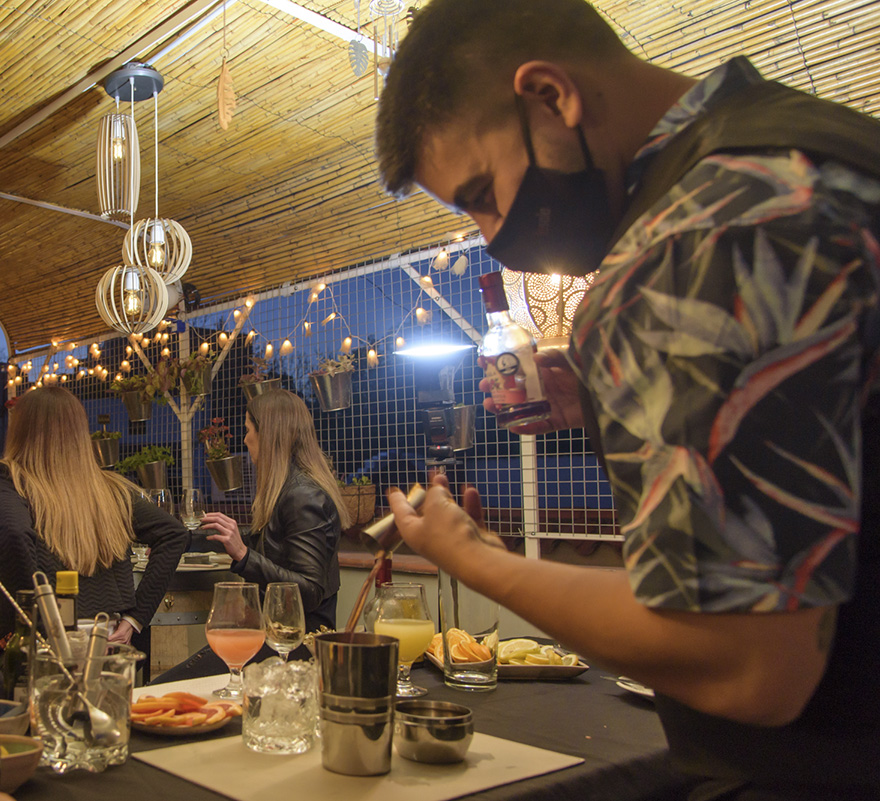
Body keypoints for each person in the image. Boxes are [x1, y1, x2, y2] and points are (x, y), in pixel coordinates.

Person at [376, 0, 879, 798]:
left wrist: (471, 557)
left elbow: (744, 660)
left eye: (482, 192)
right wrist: (617, 399)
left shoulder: (691, 240)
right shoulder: (818, 148)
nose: (492, 234)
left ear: (551, 95)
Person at [0, 386, 186, 643]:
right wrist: (136, 618)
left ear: (19, 431)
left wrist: (41, 622)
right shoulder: (111, 489)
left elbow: (12, 535)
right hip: (107, 633)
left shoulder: (7, 478)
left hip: (42, 639)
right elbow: (174, 533)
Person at [201, 389, 349, 633]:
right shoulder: (287, 489)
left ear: (268, 435)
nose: (245, 440)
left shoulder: (302, 496)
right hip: (274, 629)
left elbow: (310, 591)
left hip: (295, 641)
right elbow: (270, 541)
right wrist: (185, 539)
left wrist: (244, 556)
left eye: (248, 430)